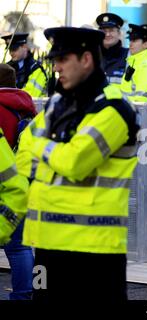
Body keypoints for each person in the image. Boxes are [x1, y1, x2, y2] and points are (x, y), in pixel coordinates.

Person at [15, 26, 140, 301]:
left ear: (86, 59)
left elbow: (74, 162)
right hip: (46, 244)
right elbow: (23, 157)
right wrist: (53, 152)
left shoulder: (115, 108)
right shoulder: (58, 102)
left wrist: (41, 147)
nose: (56, 67)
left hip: (94, 252)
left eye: (63, 59)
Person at [0, 63, 35, 300]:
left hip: (4, 184)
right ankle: (23, 294)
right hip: (22, 184)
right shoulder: (26, 108)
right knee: (20, 247)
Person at [121, 24, 147, 102]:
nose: (130, 44)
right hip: (132, 111)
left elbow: (141, 99)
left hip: (142, 112)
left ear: (145, 44)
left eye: (134, 41)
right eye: (130, 40)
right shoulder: (134, 63)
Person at [1, 33, 48, 97]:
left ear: (24, 47)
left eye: (14, 49)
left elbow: (29, 95)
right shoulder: (7, 68)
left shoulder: (36, 68)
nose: (11, 53)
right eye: (9, 49)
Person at [96, 12, 129, 88]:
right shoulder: (93, 56)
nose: (107, 34)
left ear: (119, 33)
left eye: (111, 30)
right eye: (104, 31)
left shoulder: (129, 56)